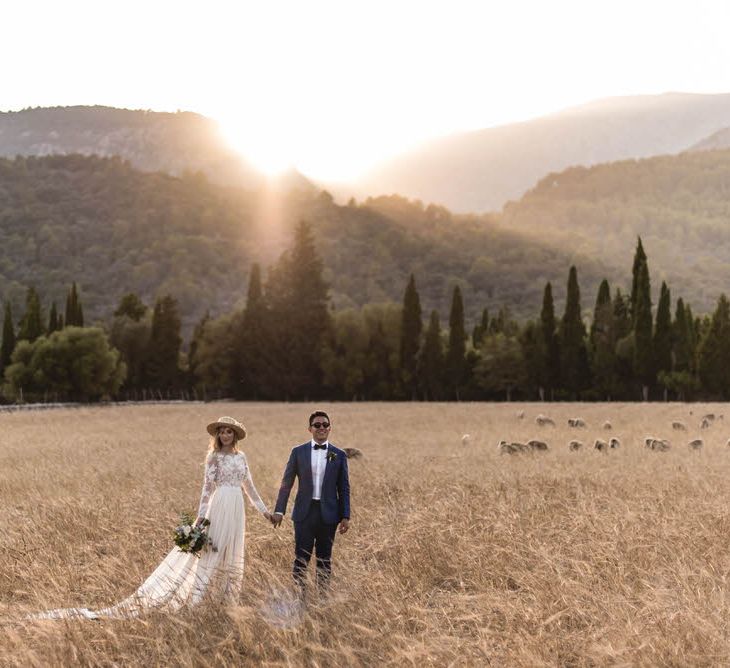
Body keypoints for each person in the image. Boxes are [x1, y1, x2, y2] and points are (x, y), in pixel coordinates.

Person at [31, 416, 271, 620]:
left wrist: (265, 512)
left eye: (229, 432)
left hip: (237, 506)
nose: (226, 435)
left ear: (235, 435)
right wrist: (199, 518)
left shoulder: (242, 458)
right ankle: (197, 601)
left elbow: (249, 487)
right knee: (212, 551)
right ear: (217, 435)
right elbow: (206, 490)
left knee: (232, 551)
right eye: (222, 432)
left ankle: (225, 603)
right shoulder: (213, 458)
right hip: (219, 506)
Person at [272, 410, 350, 593]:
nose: (321, 428)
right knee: (301, 558)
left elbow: (344, 488)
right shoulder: (298, 452)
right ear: (310, 429)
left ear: (330, 428)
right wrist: (279, 510)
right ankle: (300, 597)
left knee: (324, 559)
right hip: (304, 514)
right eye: (317, 425)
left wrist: (346, 515)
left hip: (329, 515)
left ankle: (322, 600)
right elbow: (287, 483)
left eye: (325, 425)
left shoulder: (338, 454)